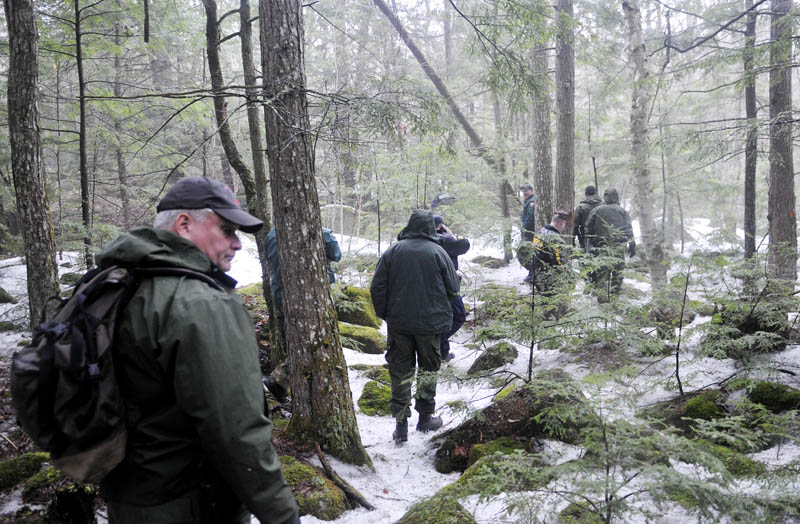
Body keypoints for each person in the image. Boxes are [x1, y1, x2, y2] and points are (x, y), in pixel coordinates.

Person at [96, 177, 300, 524]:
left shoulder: (121, 282)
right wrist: (282, 514)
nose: (237, 243)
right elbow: (237, 431)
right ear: (184, 224)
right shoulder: (199, 302)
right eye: (227, 229)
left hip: (128, 498)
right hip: (191, 502)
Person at [370, 210, 460, 444]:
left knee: (400, 371)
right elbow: (453, 288)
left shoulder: (393, 251)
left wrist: (386, 314)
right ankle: (425, 418)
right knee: (428, 369)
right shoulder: (438, 252)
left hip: (399, 324)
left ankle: (401, 425)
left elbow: (377, 287)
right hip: (430, 325)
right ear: (430, 227)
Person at [263, 227, 341, 403]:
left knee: (294, 341)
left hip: (280, 294)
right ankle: (278, 381)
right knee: (312, 343)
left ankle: (291, 387)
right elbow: (336, 255)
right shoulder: (321, 232)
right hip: (307, 296)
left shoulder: (271, 234)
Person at [585, 187, 635, 301]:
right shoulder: (622, 211)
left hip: (600, 247)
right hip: (618, 247)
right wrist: (632, 245)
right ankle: (615, 299)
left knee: (602, 275)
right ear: (617, 197)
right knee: (617, 274)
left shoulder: (596, 210)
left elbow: (588, 229)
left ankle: (603, 302)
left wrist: (589, 245)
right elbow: (629, 229)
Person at [433, 215, 470, 361]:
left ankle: (442, 353)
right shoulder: (444, 240)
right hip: (446, 285)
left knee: (441, 318)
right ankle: (436, 343)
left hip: (431, 285)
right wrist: (449, 234)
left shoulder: (418, 240)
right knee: (458, 316)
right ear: (439, 226)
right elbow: (464, 244)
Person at [530, 210, 570, 296]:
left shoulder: (540, 231)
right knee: (550, 300)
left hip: (535, 272)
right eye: (564, 224)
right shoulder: (555, 238)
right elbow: (558, 260)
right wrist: (566, 274)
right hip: (547, 276)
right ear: (561, 223)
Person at [573, 185, 603, 251]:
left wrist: (573, 242)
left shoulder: (580, 207)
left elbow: (575, 226)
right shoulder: (604, 206)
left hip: (586, 239)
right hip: (602, 239)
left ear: (585, 194)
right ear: (595, 193)